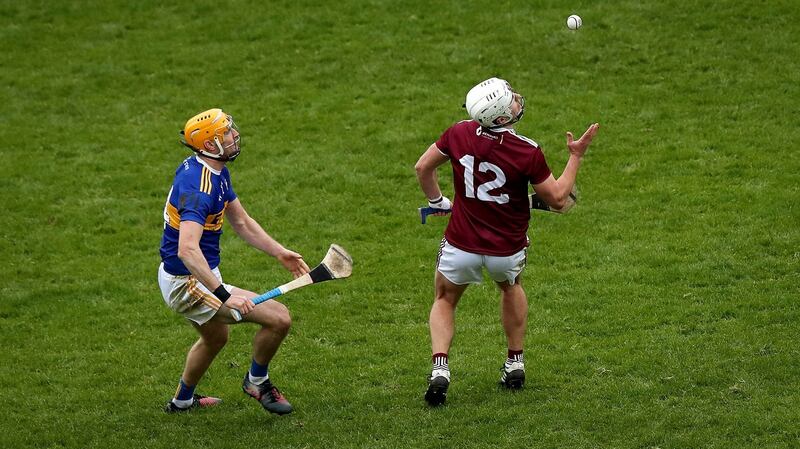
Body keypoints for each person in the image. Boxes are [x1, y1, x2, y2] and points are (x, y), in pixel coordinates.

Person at [414, 78, 600, 406]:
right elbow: (558, 199)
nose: (516, 100)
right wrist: (576, 156)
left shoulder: (458, 133)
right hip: (506, 249)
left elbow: (423, 167)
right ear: (501, 118)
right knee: (510, 287)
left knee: (444, 299)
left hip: (461, 245)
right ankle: (515, 361)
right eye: (510, 100)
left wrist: (438, 201)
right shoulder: (526, 151)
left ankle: (440, 368)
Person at [158, 108, 310, 415]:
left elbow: (240, 221)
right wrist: (225, 296)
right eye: (225, 133)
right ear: (210, 145)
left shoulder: (215, 171)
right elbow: (188, 250)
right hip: (187, 282)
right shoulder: (199, 188)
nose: (234, 135)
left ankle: (182, 402)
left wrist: (279, 251)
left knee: (215, 338)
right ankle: (257, 381)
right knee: (279, 318)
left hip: (195, 276)